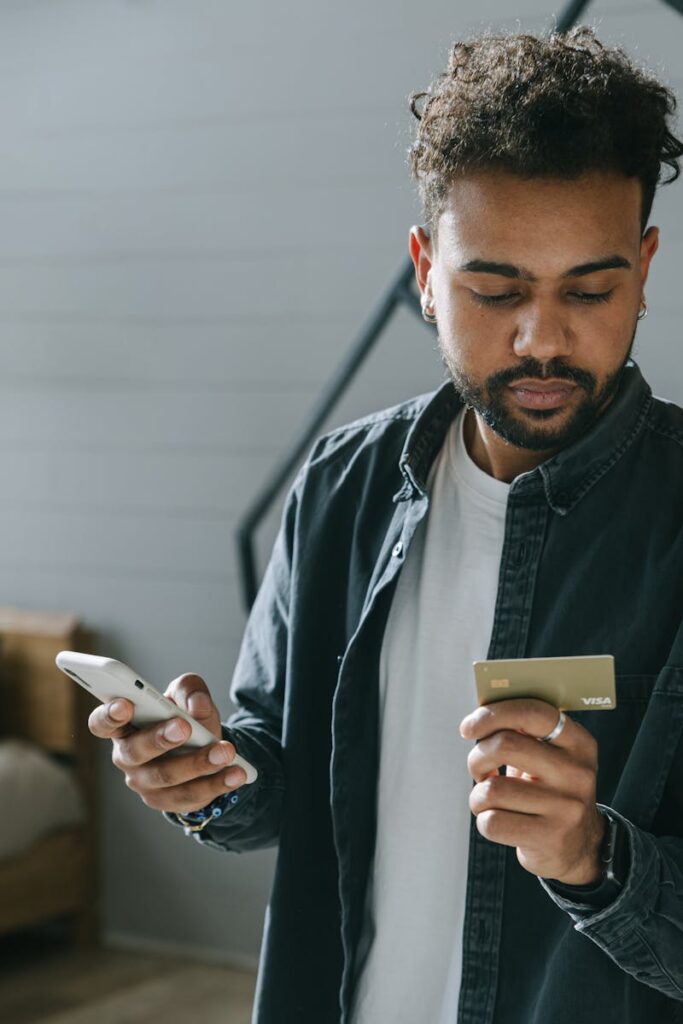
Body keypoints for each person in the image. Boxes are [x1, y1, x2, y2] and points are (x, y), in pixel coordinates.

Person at [89, 26, 683, 1024]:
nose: (540, 337)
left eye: (590, 289)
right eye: (493, 289)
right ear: (421, 267)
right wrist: (206, 775)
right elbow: (276, 773)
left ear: (644, 265)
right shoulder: (344, 481)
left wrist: (589, 855)